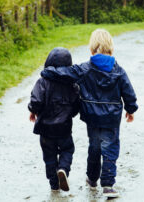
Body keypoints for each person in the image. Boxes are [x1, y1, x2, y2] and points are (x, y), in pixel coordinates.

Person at [41, 29, 138, 198]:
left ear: (91, 50)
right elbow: (128, 92)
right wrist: (131, 109)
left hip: (92, 117)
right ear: (112, 50)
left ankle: (92, 179)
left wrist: (47, 72)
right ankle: (108, 185)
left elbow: (65, 73)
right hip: (111, 120)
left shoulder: (84, 69)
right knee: (110, 149)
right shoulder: (119, 71)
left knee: (94, 147)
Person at [28, 47, 79, 192]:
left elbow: (36, 101)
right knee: (67, 149)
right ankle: (63, 169)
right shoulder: (72, 85)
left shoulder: (42, 82)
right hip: (64, 128)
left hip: (45, 129)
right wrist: (69, 114)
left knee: (49, 155)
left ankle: (53, 183)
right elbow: (76, 106)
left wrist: (32, 110)